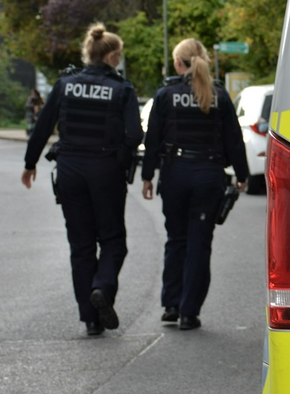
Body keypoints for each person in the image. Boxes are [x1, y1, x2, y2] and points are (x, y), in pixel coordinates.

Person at [22, 23, 143, 336]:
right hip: (105, 171)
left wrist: (30, 163)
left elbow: (43, 124)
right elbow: (134, 135)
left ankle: (90, 319)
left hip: (70, 170)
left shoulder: (65, 84)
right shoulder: (122, 89)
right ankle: (102, 287)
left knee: (81, 245)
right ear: (113, 55)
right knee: (113, 240)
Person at [141, 38, 249, 330]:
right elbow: (234, 139)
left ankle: (171, 305)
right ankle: (190, 312)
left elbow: (152, 139)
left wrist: (147, 175)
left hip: (175, 174)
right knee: (200, 244)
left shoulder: (166, 95)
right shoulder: (219, 96)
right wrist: (242, 174)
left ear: (178, 63)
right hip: (208, 176)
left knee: (176, 240)